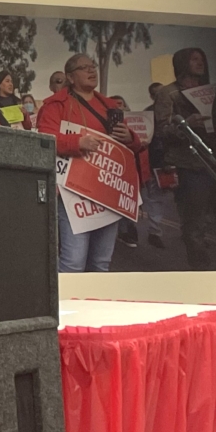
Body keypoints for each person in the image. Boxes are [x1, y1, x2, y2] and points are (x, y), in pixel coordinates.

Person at [37, 54, 141, 273]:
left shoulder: (109, 106)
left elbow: (132, 147)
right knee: (73, 262)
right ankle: (64, 305)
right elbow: (44, 141)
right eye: (84, 68)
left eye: (93, 66)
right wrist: (77, 142)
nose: (91, 70)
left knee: (101, 263)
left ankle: (94, 305)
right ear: (70, 77)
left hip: (107, 191)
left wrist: (130, 138)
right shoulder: (56, 105)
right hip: (74, 193)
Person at [154, 48, 216, 270]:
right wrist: (186, 125)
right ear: (183, 63)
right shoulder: (169, 93)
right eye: (194, 59)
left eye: (202, 58)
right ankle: (200, 272)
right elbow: (160, 130)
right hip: (190, 165)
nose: (200, 62)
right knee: (195, 226)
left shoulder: (215, 91)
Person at [109, 95, 162, 250]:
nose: (119, 107)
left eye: (121, 104)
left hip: (139, 170)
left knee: (136, 202)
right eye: (115, 105)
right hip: (119, 170)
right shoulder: (111, 125)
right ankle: (125, 230)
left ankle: (129, 229)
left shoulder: (141, 121)